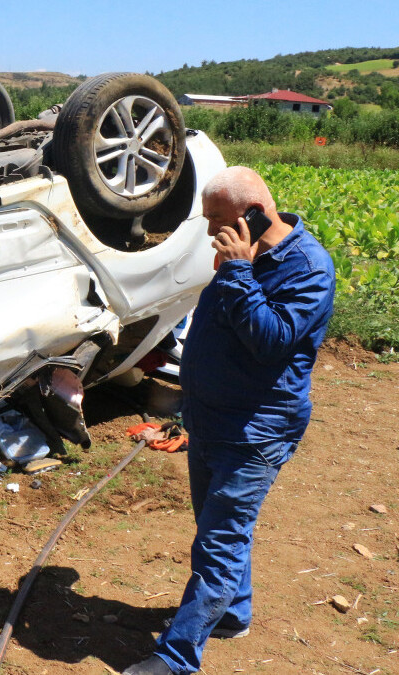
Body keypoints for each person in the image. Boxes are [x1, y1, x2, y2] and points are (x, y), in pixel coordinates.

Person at [123, 166, 335, 675]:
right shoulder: (240, 255)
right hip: (212, 419)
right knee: (217, 529)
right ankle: (232, 614)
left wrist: (239, 272)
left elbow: (271, 343)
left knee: (219, 541)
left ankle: (176, 658)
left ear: (253, 213)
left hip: (257, 429)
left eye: (215, 218)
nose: (209, 228)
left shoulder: (308, 267)